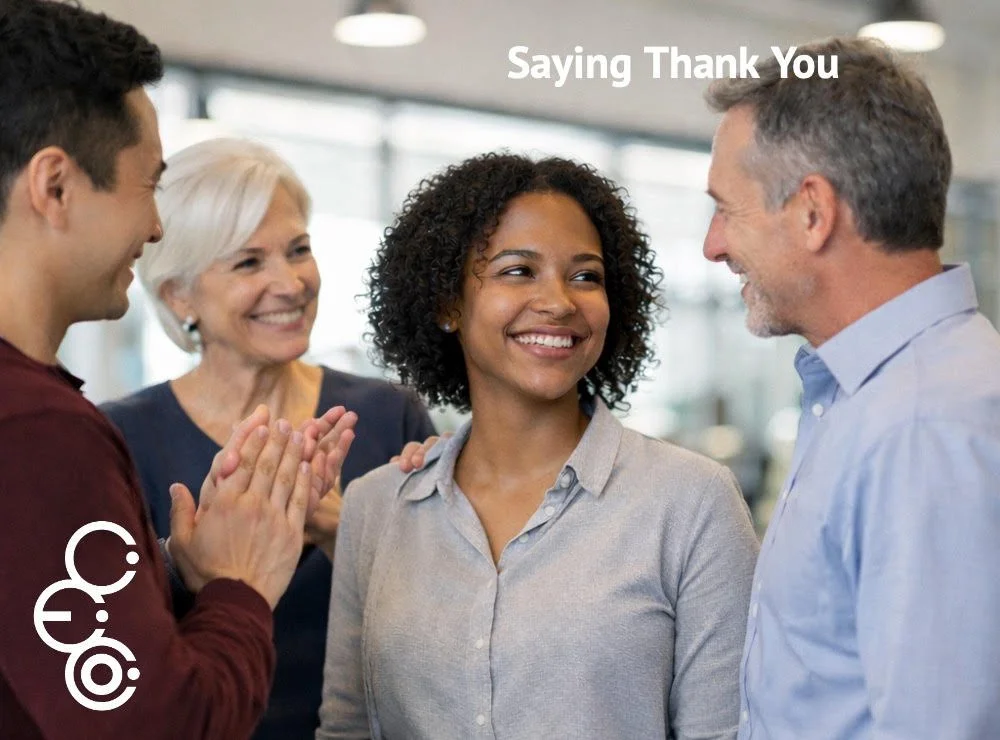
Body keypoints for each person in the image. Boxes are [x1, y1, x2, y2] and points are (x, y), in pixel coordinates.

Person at [316, 152, 760, 740]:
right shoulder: (378, 508)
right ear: (448, 302)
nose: (559, 301)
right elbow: (346, 729)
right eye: (518, 271)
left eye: (585, 276)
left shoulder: (692, 501)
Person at [0, 1, 341, 738]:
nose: (155, 228)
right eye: (148, 185)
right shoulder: (38, 429)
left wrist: (174, 577)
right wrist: (240, 579)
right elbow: (162, 725)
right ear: (54, 187)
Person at [702, 37, 1000, 739]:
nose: (712, 245)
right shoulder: (870, 397)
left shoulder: (925, 424)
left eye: (726, 209)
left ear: (813, 211)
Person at [101, 137, 437, 740]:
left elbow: (452, 615)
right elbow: (106, 648)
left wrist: (341, 525)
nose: (289, 283)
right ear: (179, 295)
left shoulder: (389, 415)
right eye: (249, 262)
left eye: (298, 250)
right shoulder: (119, 437)